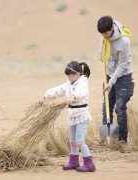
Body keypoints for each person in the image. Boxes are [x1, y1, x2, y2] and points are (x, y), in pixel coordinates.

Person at [41, 61, 96, 172]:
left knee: (79, 141)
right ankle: (74, 161)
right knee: (73, 140)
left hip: (81, 115)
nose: (69, 77)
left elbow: (82, 91)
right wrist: (45, 96)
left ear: (77, 74)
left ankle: (89, 163)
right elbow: (57, 90)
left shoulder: (83, 81)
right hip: (72, 116)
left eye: (70, 74)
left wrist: (74, 96)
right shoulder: (68, 84)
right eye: (68, 75)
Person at [97, 16, 134, 145]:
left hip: (123, 76)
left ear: (111, 29)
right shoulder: (104, 35)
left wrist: (111, 82)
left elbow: (122, 65)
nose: (103, 36)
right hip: (108, 74)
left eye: (105, 33)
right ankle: (107, 139)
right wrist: (101, 52)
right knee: (106, 106)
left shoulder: (124, 41)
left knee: (119, 108)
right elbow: (103, 46)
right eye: (101, 34)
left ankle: (122, 140)